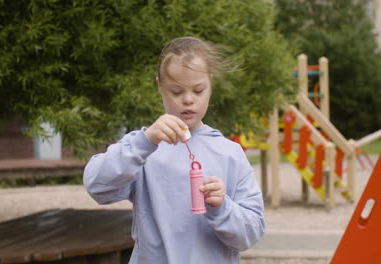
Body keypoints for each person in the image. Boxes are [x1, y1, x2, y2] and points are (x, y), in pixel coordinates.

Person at [84, 36, 265, 263]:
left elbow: (251, 233)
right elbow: (96, 186)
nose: (188, 100)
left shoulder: (230, 153)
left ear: (210, 84)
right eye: (176, 92)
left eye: (198, 90)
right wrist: (145, 141)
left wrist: (222, 208)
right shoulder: (142, 147)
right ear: (160, 85)